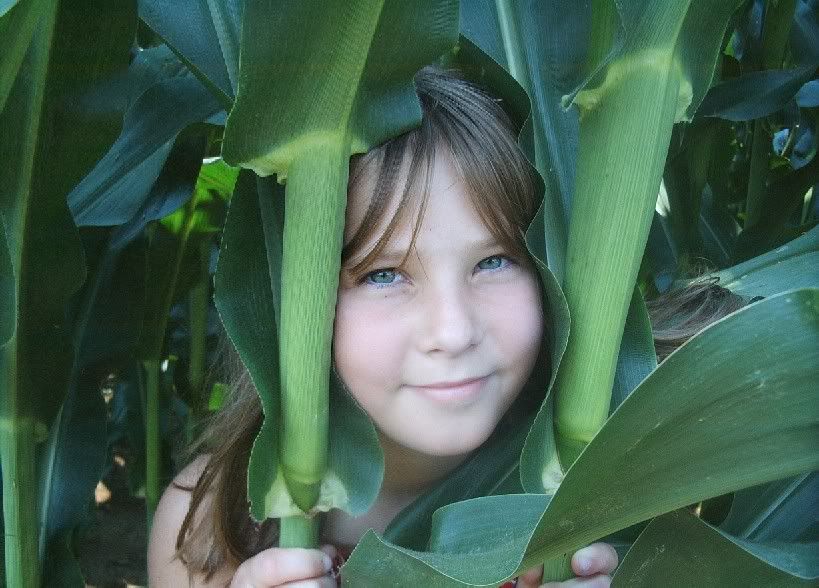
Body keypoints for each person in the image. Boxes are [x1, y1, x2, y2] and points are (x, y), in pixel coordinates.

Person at [148, 66, 744, 587]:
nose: (454, 332)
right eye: (384, 275)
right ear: (288, 295)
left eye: (494, 262)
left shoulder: (604, 503)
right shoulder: (208, 531)